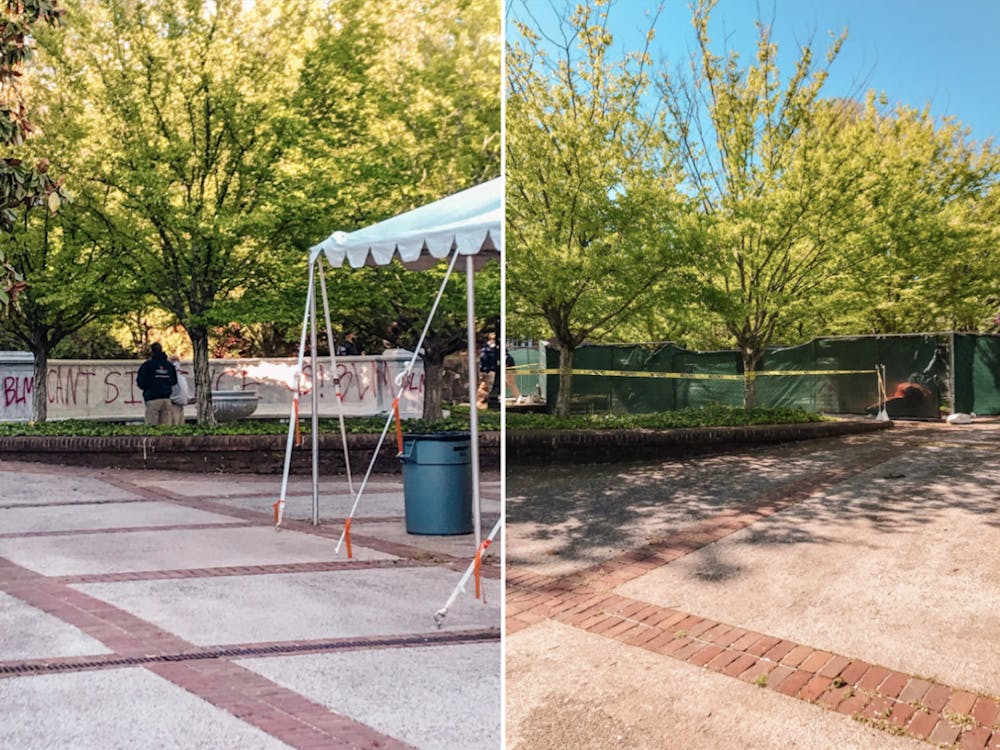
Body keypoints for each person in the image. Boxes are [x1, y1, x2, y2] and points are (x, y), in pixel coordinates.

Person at [136, 343, 177, 425]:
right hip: (166, 399)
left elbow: (141, 381)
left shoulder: (147, 365)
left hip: (152, 398)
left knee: (152, 426)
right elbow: (174, 381)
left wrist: (148, 388)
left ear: (152, 351)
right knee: (165, 427)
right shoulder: (169, 365)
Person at [168, 355, 191, 426]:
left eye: (177, 360)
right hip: (173, 405)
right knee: (174, 424)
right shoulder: (170, 375)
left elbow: (183, 389)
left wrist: (188, 398)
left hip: (180, 405)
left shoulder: (180, 376)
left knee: (180, 425)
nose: (176, 362)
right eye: (173, 360)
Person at [477, 332, 498, 409]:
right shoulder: (492, 348)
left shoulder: (485, 347)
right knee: (490, 387)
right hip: (490, 370)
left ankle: (479, 402)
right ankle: (487, 403)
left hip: (484, 370)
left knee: (482, 386)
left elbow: (482, 358)